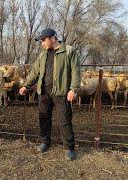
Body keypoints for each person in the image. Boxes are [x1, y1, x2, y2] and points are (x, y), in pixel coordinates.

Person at [19, 28, 81, 160]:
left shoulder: (69, 51)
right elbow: (35, 72)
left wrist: (73, 89)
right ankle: (45, 142)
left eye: (43, 40)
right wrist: (26, 85)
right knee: (44, 118)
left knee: (64, 120)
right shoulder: (43, 55)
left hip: (62, 92)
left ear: (53, 38)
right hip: (44, 92)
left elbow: (76, 71)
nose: (42, 43)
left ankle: (69, 147)